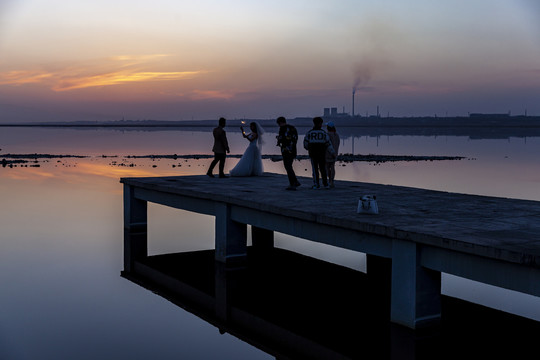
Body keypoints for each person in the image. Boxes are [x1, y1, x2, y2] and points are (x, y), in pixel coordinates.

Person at [303, 117, 334, 189]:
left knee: (315, 169)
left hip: (313, 154)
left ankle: (316, 184)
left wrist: (309, 148)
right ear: (321, 124)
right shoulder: (323, 133)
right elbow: (328, 144)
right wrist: (332, 153)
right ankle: (325, 184)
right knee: (323, 169)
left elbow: (305, 144)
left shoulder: (309, 133)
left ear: (314, 123)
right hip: (322, 154)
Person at [276, 116, 301, 190]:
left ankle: (292, 184)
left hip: (286, 150)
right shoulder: (293, 128)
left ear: (280, 122)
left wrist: (279, 140)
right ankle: (295, 181)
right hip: (293, 150)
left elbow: (282, 139)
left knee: (288, 167)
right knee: (289, 166)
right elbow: (295, 139)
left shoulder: (282, 129)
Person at [325, 121, 340, 188]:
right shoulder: (336, 135)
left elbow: (326, 144)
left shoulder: (327, 135)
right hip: (335, 153)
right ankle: (332, 181)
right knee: (332, 167)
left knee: (327, 167)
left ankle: (329, 181)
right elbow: (338, 144)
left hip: (328, 154)